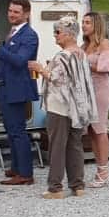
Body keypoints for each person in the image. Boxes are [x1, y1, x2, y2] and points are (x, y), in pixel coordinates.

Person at [33, 17, 97, 199]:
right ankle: (78, 185)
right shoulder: (81, 53)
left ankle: (55, 187)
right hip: (77, 106)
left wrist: (41, 69)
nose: (55, 36)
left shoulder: (62, 56)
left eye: (58, 32)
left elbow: (56, 79)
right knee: (75, 145)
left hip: (60, 105)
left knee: (57, 146)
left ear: (69, 35)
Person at [0, 0, 39, 186]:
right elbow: (8, 62)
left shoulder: (29, 35)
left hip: (18, 89)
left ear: (26, 14)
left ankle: (25, 173)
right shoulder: (13, 33)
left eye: (16, 12)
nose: (11, 15)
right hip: (6, 87)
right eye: (10, 11)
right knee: (10, 130)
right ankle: (16, 167)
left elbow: (19, 61)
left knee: (18, 131)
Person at [82, 12, 109, 187]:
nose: (84, 25)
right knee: (91, 130)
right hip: (87, 90)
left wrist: (83, 63)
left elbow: (106, 67)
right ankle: (100, 169)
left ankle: (104, 172)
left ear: (96, 25)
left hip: (100, 89)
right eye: (83, 22)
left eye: (87, 22)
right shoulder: (84, 46)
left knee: (100, 129)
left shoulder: (104, 44)